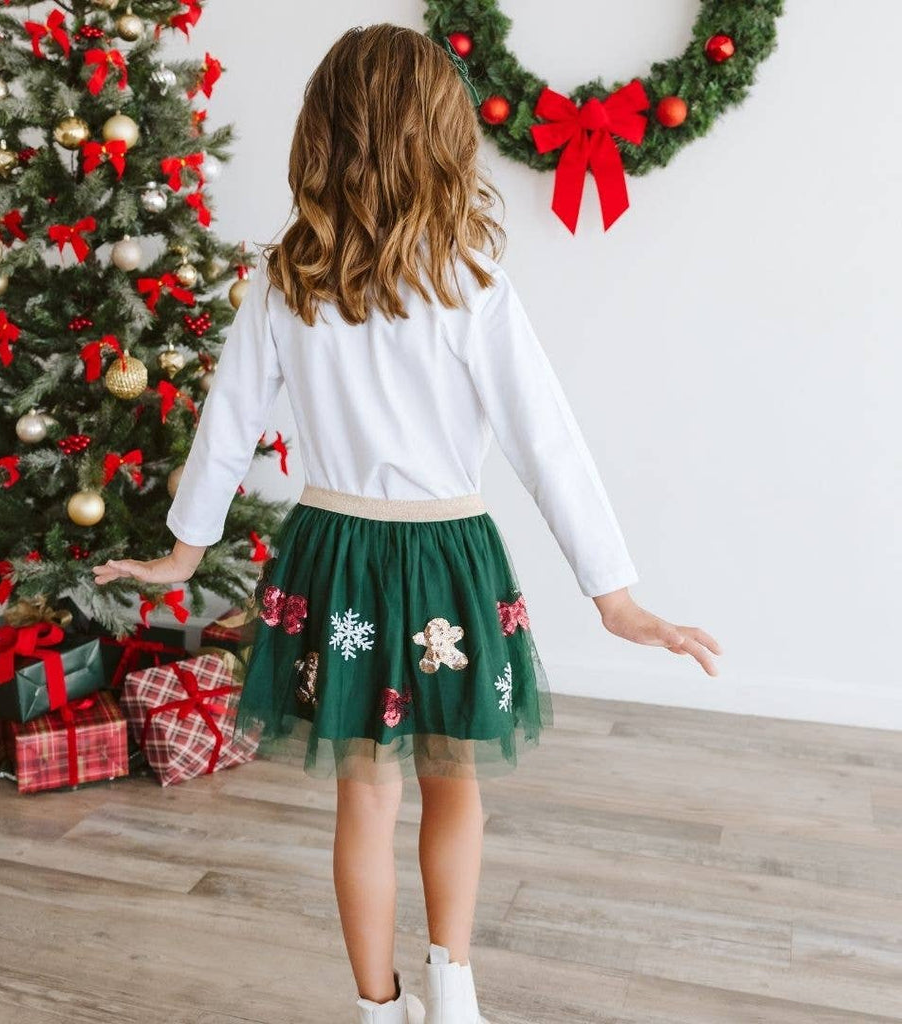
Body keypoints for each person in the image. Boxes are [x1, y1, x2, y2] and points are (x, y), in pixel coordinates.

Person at [93, 23, 720, 1024]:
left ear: (322, 134)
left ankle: (379, 1010)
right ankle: (453, 990)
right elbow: (544, 440)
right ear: (440, 136)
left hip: (332, 554)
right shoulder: (470, 281)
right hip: (444, 558)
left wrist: (185, 547)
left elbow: (227, 424)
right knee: (453, 778)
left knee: (363, 797)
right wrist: (615, 594)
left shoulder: (286, 278)